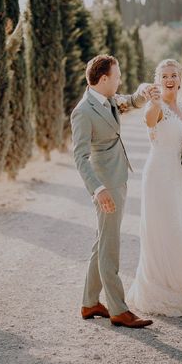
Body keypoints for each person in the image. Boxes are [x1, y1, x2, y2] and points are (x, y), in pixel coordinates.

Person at [70, 54, 158, 328]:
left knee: (102, 241)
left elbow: (130, 101)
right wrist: (98, 189)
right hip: (105, 185)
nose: (120, 80)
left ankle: (89, 302)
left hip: (117, 178)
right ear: (104, 78)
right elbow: (80, 157)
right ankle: (119, 309)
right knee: (110, 245)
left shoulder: (107, 99)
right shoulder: (83, 112)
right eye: (117, 76)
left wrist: (144, 92)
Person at [126, 59, 182, 316]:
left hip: (177, 177)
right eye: (164, 75)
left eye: (174, 74)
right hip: (158, 176)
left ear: (180, 79)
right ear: (158, 80)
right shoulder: (158, 107)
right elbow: (150, 121)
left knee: (173, 226)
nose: (169, 79)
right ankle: (160, 288)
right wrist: (153, 102)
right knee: (167, 230)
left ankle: (175, 284)